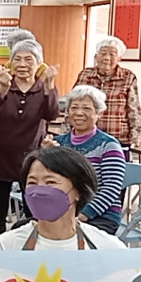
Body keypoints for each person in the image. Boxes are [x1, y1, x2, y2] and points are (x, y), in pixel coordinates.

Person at [0, 147, 125, 250]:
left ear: (78, 191)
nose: (39, 191)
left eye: (50, 182)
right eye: (32, 183)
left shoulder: (107, 248)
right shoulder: (7, 246)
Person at [0, 38, 60, 238]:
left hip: (32, 159)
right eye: (17, 59)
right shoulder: (2, 83)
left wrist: (49, 85)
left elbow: (51, 114)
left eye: (29, 59)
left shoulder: (43, 86)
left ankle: (30, 248)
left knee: (33, 212)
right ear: (10, 63)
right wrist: (2, 89)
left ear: (39, 64)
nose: (22, 64)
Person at [45, 85, 126, 235]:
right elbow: (46, 181)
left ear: (98, 113)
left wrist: (83, 215)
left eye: (87, 108)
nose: (79, 113)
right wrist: (45, 156)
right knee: (23, 229)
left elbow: (112, 187)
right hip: (62, 212)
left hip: (100, 215)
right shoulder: (58, 143)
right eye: (74, 108)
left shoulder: (108, 145)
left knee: (67, 238)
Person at [75, 36, 141, 154]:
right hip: (87, 137)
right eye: (103, 53)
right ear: (96, 56)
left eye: (112, 54)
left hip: (118, 139)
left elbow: (134, 110)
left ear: (119, 58)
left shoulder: (128, 77)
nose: (107, 58)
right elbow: (73, 103)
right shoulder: (85, 75)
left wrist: (135, 137)